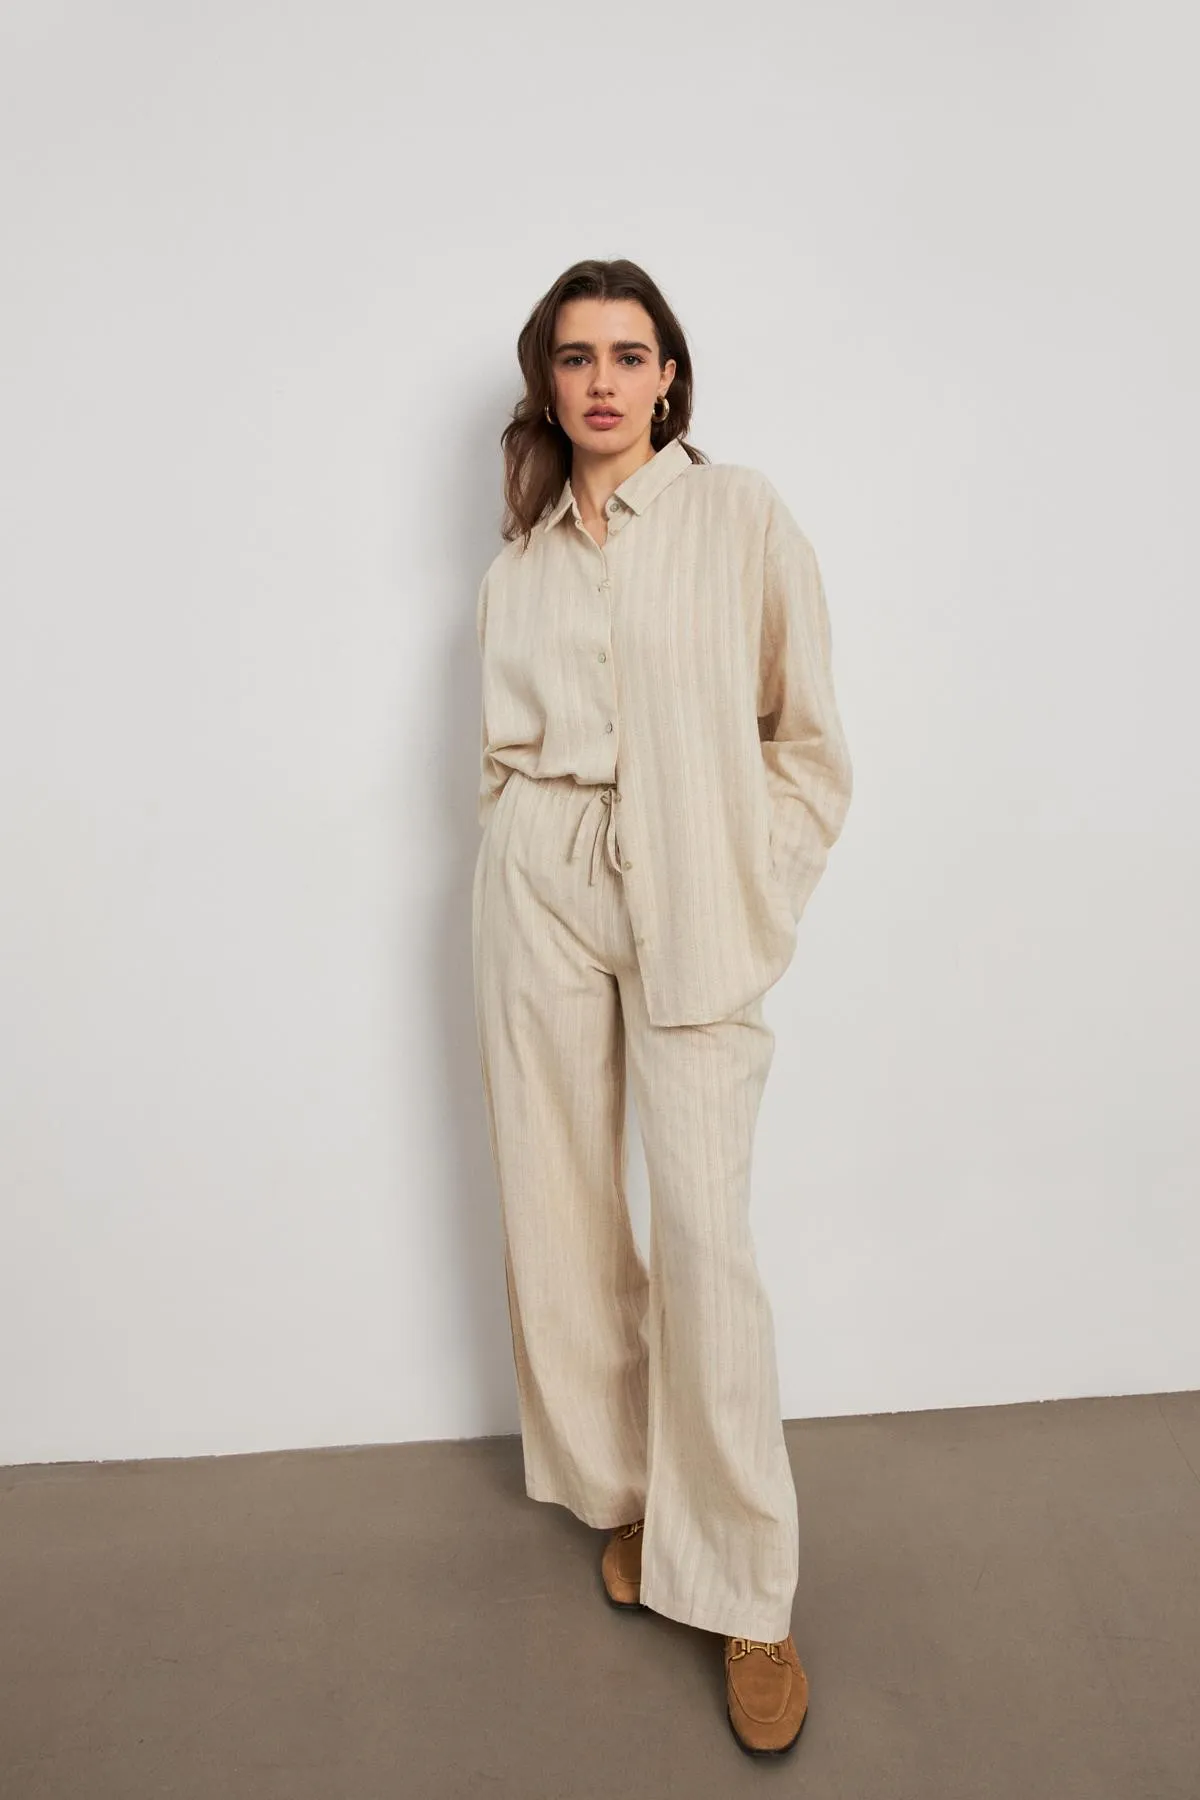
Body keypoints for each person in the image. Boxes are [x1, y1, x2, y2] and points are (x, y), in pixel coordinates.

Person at [470, 258, 853, 1755]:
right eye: (577, 357)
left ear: (670, 377)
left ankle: (749, 1589)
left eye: (631, 355)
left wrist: (758, 890)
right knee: (560, 1208)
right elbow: (498, 746)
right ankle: (633, 1502)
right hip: (538, 879)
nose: (604, 381)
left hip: (693, 883)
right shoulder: (520, 563)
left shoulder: (739, 514)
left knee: (704, 1240)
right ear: (549, 382)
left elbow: (808, 744)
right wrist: (517, 849)